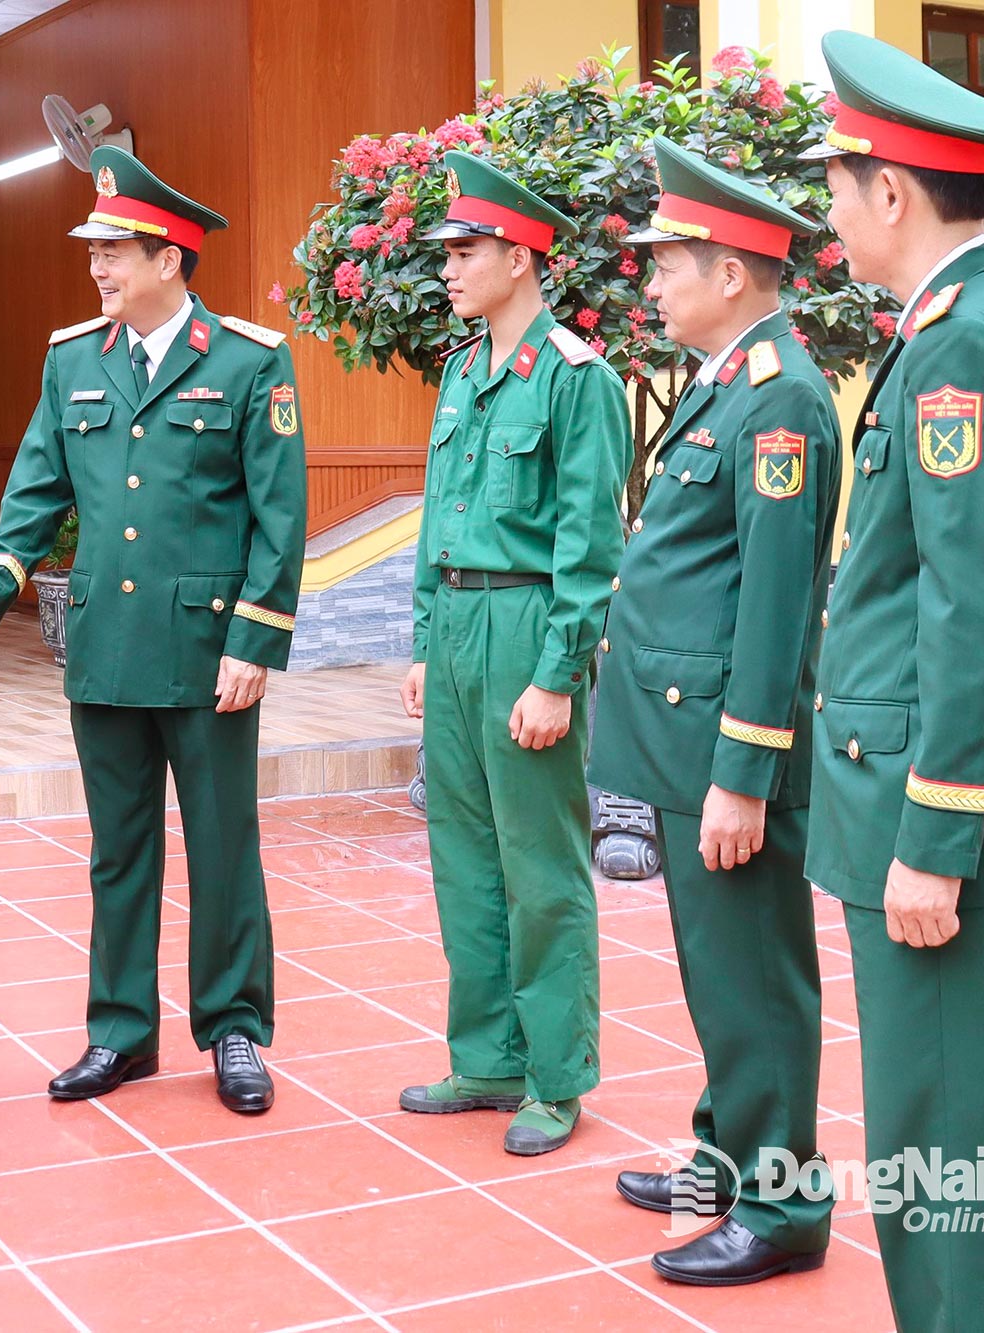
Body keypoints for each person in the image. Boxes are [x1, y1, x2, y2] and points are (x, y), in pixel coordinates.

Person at [799, 29, 984, 1332]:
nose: (832, 211)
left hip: (931, 822)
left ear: (893, 192)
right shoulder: (961, 330)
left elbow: (975, 610)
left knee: (943, 1157)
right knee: (956, 1141)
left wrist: (934, 840)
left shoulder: (964, 345)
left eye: (839, 186)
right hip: (918, 804)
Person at [0, 146, 307, 1113]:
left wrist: (255, 639)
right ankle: (118, 1033)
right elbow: (37, 487)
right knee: (119, 850)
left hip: (209, 656)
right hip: (107, 648)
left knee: (222, 844)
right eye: (95, 251)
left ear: (171, 258)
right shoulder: (72, 358)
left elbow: (280, 515)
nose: (99, 267)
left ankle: (235, 1028)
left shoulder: (250, 361)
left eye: (116, 249)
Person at [590, 135, 841, 1283]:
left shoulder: (779, 400)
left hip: (726, 752)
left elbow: (777, 607)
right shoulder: (731, 384)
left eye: (666, 264)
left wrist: (742, 772)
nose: (650, 283)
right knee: (716, 968)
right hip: (687, 741)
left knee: (752, 977)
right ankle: (722, 1160)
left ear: (729, 273)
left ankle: (780, 1210)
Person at [398, 150, 631, 1156]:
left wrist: (555, 671)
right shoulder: (459, 373)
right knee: (462, 855)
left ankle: (553, 1073)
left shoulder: (577, 380)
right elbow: (434, 522)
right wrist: (417, 640)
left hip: (523, 632)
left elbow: (590, 547)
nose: (447, 268)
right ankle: (485, 1057)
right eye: (445, 251)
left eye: (464, 249)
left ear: (520, 253)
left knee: (540, 864)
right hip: (454, 628)